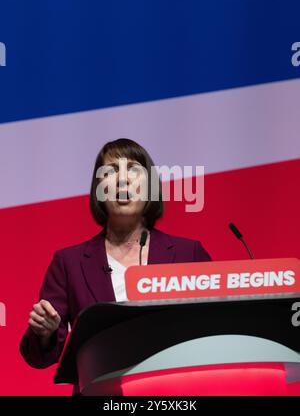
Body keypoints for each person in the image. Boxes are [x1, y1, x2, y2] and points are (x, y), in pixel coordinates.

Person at [20, 138, 211, 393]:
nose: (123, 180)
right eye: (110, 172)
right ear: (99, 189)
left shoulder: (190, 254)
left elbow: (214, 328)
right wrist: (45, 333)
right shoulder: (69, 262)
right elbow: (38, 356)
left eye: (133, 169)